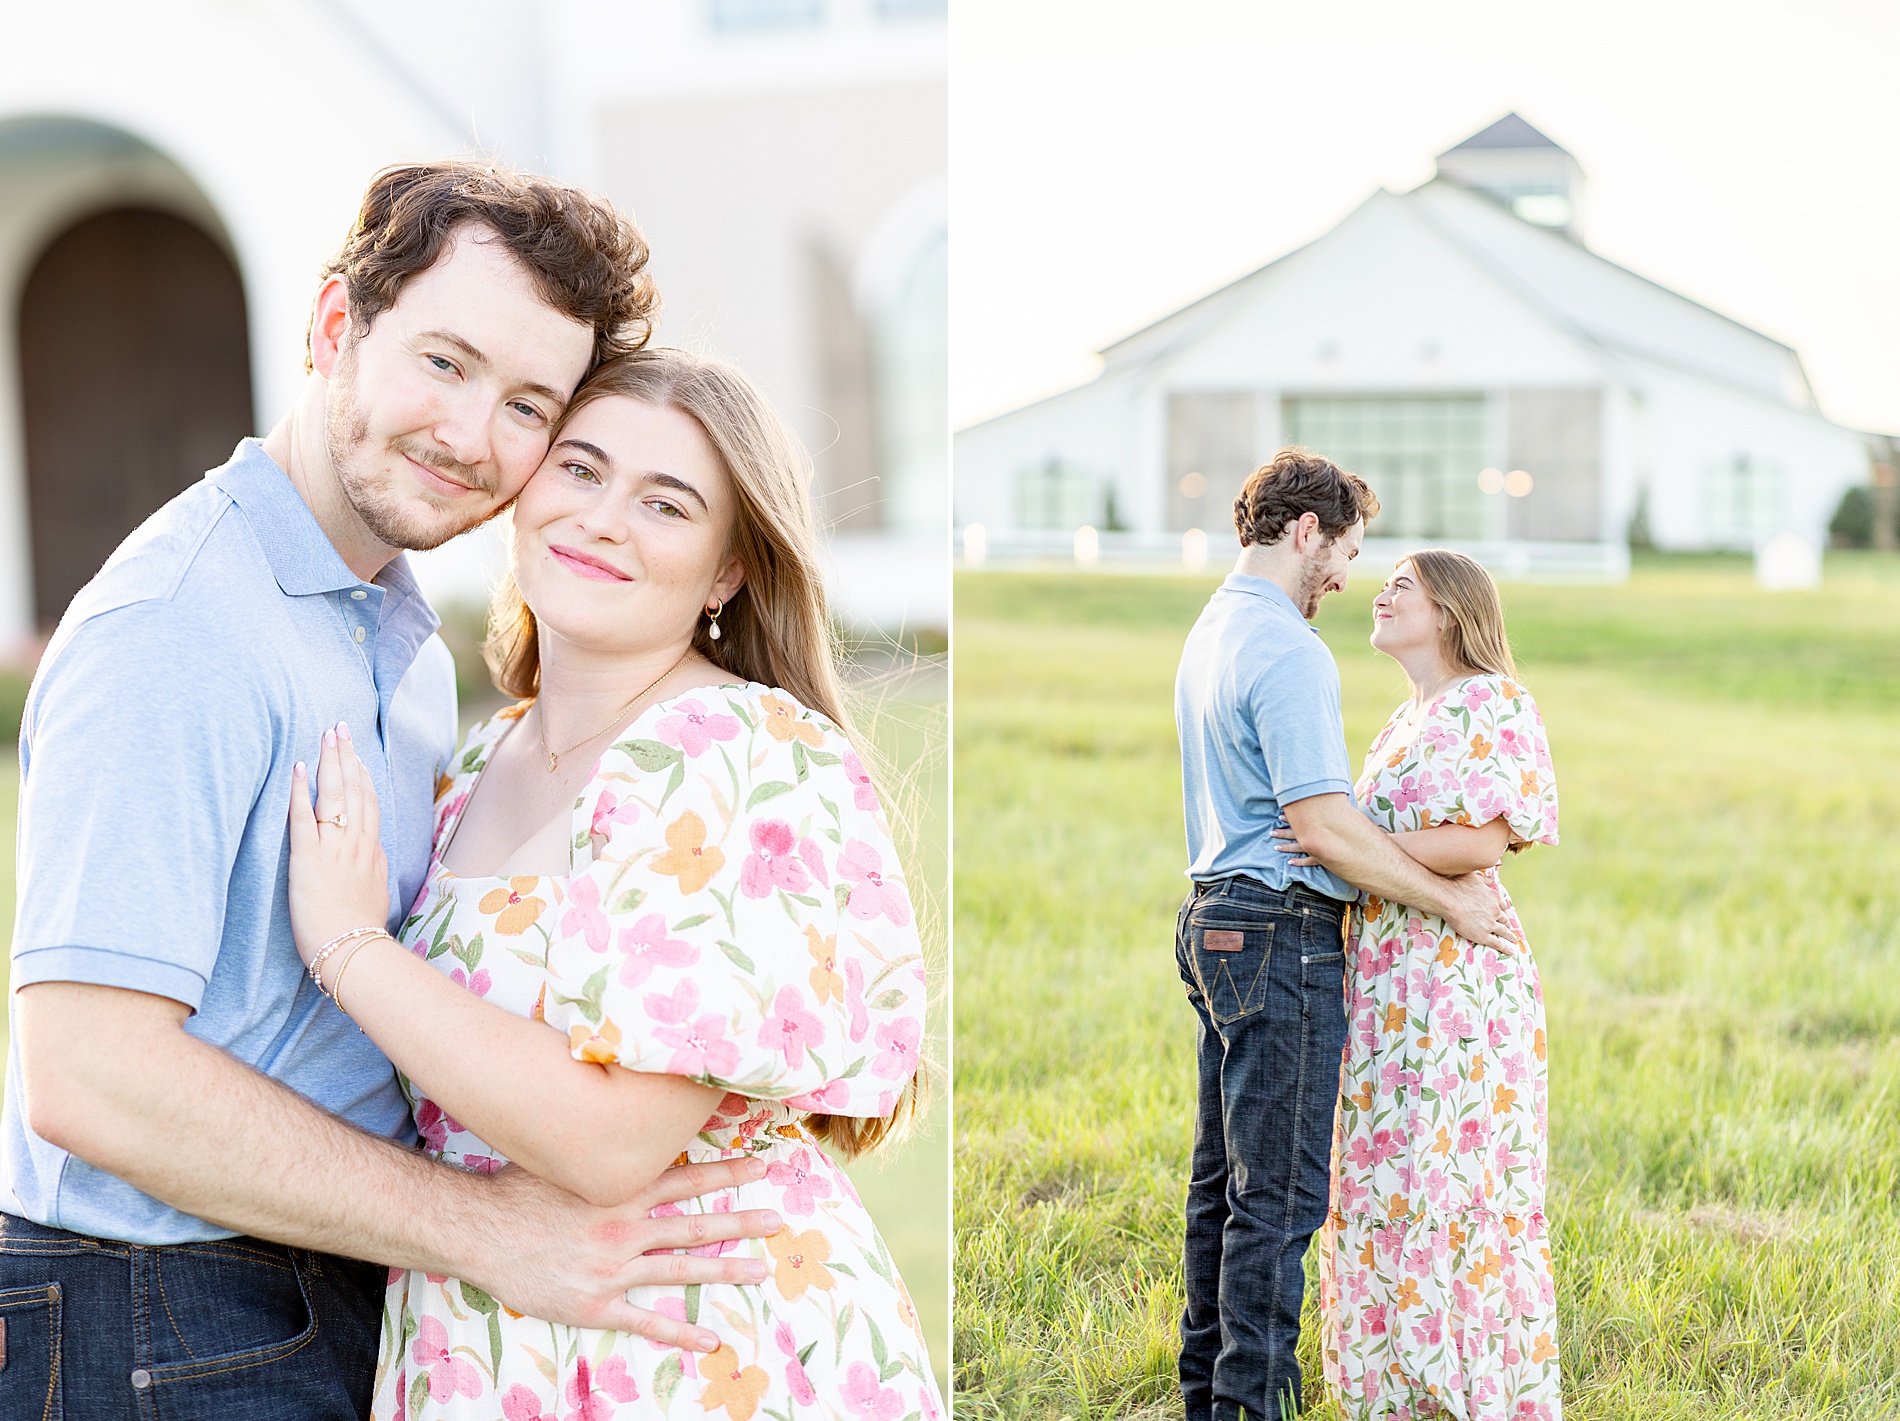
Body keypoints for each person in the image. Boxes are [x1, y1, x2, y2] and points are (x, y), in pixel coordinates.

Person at [0, 163, 780, 1418]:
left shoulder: (403, 646)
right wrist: (478, 1226)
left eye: (529, 403)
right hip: (153, 1308)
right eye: (444, 363)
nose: (473, 436)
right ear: (331, 330)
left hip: (328, 1289)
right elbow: (88, 1072)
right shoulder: (179, 625)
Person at [285, 346, 941, 1419]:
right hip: (483, 1340)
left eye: (666, 504)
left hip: (696, 1347)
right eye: (580, 470)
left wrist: (350, 947)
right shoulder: (470, 762)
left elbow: (610, 1140)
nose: (601, 519)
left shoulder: (730, 749)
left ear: (728, 569)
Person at [1173, 448, 1516, 1421]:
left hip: (1214, 917)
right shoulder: (1285, 646)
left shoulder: (1211, 627)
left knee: (1223, 1192)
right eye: (1347, 552)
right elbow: (1322, 828)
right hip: (1279, 933)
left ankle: (1205, 1398)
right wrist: (1451, 900)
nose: (1344, 578)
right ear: (1305, 529)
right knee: (1275, 1203)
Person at [1298, 551, 1561, 1420]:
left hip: (1456, 979)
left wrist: (1349, 844)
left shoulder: (1493, 700)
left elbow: (1481, 843)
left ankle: (1473, 1387)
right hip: (1381, 976)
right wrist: (1349, 843)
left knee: (1454, 1174)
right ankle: (1396, 1388)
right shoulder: (1398, 722)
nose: (1379, 591)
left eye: (1401, 583)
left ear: (1449, 610)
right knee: (1383, 1172)